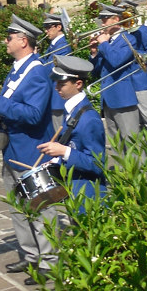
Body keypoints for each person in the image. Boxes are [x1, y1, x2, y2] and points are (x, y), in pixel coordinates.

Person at [0, 15, 57, 284]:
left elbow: (35, 114)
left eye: (10, 37)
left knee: (39, 208)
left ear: (24, 41)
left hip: (31, 151)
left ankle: (50, 261)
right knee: (18, 207)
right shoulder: (17, 69)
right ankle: (30, 254)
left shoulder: (37, 71)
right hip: (13, 149)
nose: (6, 41)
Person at [36, 55, 107, 215]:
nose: (56, 87)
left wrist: (64, 152)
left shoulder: (89, 119)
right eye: (56, 82)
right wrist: (55, 160)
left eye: (62, 83)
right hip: (74, 191)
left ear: (79, 84)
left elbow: (97, 164)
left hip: (89, 196)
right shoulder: (71, 110)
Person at [90, 5, 141, 142]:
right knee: (116, 144)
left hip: (123, 99)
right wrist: (94, 53)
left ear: (116, 20)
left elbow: (116, 61)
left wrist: (104, 44)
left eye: (105, 19)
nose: (102, 23)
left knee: (132, 142)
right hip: (108, 100)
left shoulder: (128, 40)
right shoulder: (107, 43)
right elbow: (96, 72)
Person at [117, 0, 147, 129]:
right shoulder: (122, 32)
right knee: (134, 119)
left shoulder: (143, 30)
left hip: (140, 78)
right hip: (126, 80)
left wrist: (139, 55)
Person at [41, 13, 72, 130]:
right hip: (52, 98)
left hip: (58, 98)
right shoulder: (53, 46)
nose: (46, 31)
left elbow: (49, 69)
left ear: (58, 27)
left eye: (49, 27)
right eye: (45, 28)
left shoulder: (62, 45)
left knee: (60, 134)